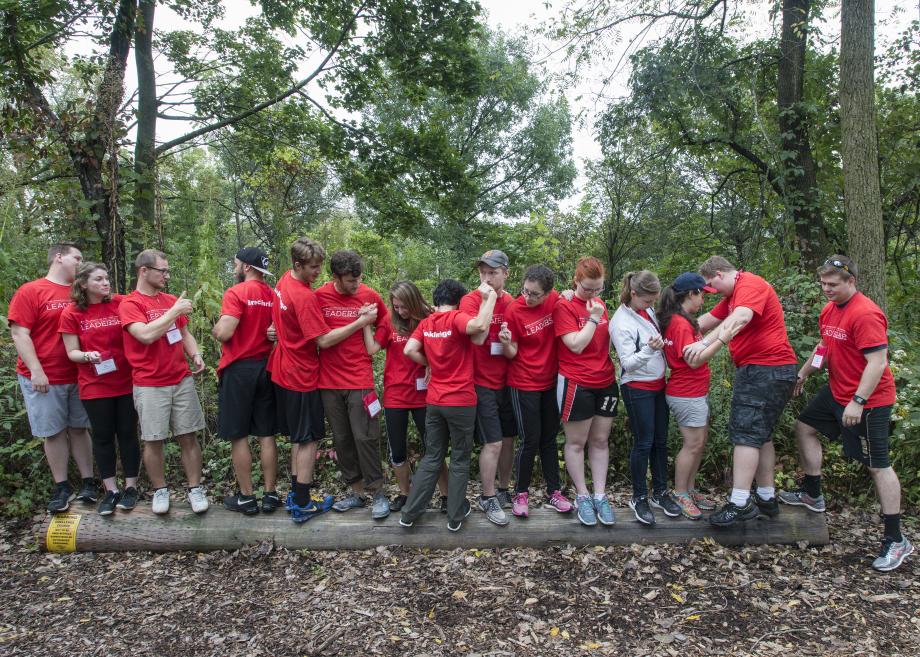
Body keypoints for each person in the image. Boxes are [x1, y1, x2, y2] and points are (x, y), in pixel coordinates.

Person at [781, 255, 911, 571]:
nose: (826, 289)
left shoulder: (865, 314)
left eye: (833, 284)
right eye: (823, 283)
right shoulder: (829, 310)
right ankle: (812, 493)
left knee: (877, 466)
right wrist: (803, 373)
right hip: (837, 391)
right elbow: (824, 348)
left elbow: (878, 363)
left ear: (851, 281)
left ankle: (896, 539)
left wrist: (858, 400)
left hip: (870, 401)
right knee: (804, 427)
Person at [683, 256, 798, 526]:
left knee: (745, 435)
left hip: (764, 369)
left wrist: (706, 345)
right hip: (770, 369)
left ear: (721, 274)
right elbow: (705, 321)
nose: (712, 293)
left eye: (712, 286)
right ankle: (767, 498)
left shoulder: (750, 285)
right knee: (761, 435)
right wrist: (673, 331)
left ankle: (739, 503)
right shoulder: (735, 294)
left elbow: (742, 318)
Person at [269, 238, 375, 523]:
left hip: (283, 368)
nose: (318, 273)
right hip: (301, 374)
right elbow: (325, 340)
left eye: (320, 266)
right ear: (298, 264)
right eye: (313, 267)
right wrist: (359, 323)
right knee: (309, 440)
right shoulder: (304, 297)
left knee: (299, 437)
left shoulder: (284, 281)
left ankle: (296, 493)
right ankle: (302, 502)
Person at [400, 279, 498, 531]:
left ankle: (409, 513)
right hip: (461, 400)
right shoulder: (456, 318)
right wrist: (491, 299)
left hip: (434, 401)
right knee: (460, 458)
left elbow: (409, 349)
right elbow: (479, 324)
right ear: (457, 301)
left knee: (433, 456)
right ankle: (455, 516)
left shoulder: (426, 323)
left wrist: (429, 364)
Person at [119, 249, 209, 515]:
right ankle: (160, 490)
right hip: (149, 383)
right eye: (163, 271)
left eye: (168, 271)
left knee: (188, 436)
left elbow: (183, 332)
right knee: (153, 439)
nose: (167, 276)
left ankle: (195, 488)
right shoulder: (130, 304)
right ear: (144, 271)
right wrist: (173, 311)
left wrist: (195, 353)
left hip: (180, 379)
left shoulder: (170, 299)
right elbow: (145, 335)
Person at [8, 243, 96, 513]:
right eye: (76, 258)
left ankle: (89, 484)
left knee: (80, 428)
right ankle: (61, 488)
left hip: (79, 374)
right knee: (54, 432)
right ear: (59, 257)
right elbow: (19, 333)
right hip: (44, 376)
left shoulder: (79, 292)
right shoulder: (31, 291)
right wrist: (36, 370)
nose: (81, 263)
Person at [315, 250, 391, 519]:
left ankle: (378, 493)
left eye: (358, 278)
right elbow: (319, 338)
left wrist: (376, 344)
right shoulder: (320, 297)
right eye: (350, 280)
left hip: (360, 379)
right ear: (334, 276)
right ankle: (357, 493)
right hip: (329, 381)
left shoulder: (369, 295)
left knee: (366, 436)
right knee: (343, 439)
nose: (356, 284)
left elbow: (386, 322)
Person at [658, 272, 740, 519]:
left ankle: (690, 489)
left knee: (699, 443)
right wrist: (722, 340)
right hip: (686, 392)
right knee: (692, 444)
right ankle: (681, 492)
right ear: (690, 294)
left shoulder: (682, 320)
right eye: (702, 294)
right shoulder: (680, 323)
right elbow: (694, 360)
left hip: (694, 391)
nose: (704, 300)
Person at [59, 263, 140, 515]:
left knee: (128, 433)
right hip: (94, 385)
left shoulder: (120, 303)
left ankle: (130, 488)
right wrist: (86, 356)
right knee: (103, 437)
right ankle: (110, 490)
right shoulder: (72, 313)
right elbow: (71, 352)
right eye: (99, 279)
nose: (106, 283)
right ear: (83, 284)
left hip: (126, 381)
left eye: (107, 278)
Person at [363, 281, 448, 512]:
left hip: (425, 394)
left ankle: (446, 495)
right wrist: (365, 325)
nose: (400, 311)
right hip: (395, 395)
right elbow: (372, 348)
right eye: (396, 306)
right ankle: (405, 494)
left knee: (433, 448)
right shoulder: (389, 321)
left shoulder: (429, 318)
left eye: (403, 307)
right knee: (397, 451)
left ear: (413, 301)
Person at [500, 265, 572, 518]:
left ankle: (555, 492)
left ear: (548, 293)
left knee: (549, 440)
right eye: (525, 291)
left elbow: (570, 303)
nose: (528, 297)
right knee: (530, 440)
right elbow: (512, 353)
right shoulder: (514, 310)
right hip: (523, 383)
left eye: (534, 294)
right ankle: (521, 493)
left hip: (551, 381)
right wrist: (506, 342)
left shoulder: (556, 300)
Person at [611, 270, 682, 525]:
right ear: (633, 294)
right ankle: (639, 496)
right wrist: (650, 349)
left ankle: (660, 492)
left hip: (658, 384)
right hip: (636, 388)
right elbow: (628, 364)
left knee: (661, 441)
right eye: (647, 301)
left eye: (653, 301)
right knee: (644, 442)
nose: (651, 305)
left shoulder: (646, 312)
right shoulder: (620, 322)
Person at [213, 247, 279, 516]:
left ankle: (247, 498)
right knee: (266, 434)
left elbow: (225, 331)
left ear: (247, 267)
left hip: (239, 369)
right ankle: (271, 494)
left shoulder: (236, 293)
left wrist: (215, 328)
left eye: (236, 263)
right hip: (266, 368)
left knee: (238, 435)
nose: (234, 267)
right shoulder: (273, 295)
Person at [553, 257, 617, 527]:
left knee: (600, 441)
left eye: (598, 289)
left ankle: (600, 495)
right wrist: (592, 319)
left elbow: (607, 341)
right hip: (576, 382)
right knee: (577, 443)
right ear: (576, 280)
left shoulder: (600, 304)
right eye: (589, 288)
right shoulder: (564, 305)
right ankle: (582, 495)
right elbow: (576, 345)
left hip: (606, 380)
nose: (593, 294)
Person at [459, 250, 518, 526]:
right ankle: (487, 495)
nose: (486, 277)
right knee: (492, 442)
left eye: (493, 272)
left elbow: (512, 350)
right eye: (483, 272)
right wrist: (489, 301)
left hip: (509, 380)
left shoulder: (515, 303)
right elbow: (478, 339)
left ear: (506, 273)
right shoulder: (471, 300)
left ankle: (504, 490)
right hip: (480, 381)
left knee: (508, 440)